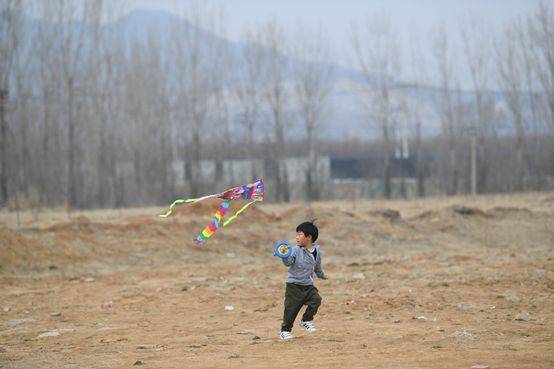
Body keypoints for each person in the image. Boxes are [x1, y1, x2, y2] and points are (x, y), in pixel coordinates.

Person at [279, 221, 327, 340]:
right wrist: (284, 256)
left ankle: (305, 320)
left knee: (316, 300)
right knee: (291, 309)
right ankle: (285, 331)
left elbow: (317, 267)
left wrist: (321, 275)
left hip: (308, 285)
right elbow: (289, 262)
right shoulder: (295, 250)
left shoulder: (316, 252)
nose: (297, 237)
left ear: (309, 237)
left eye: (299, 234)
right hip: (293, 285)